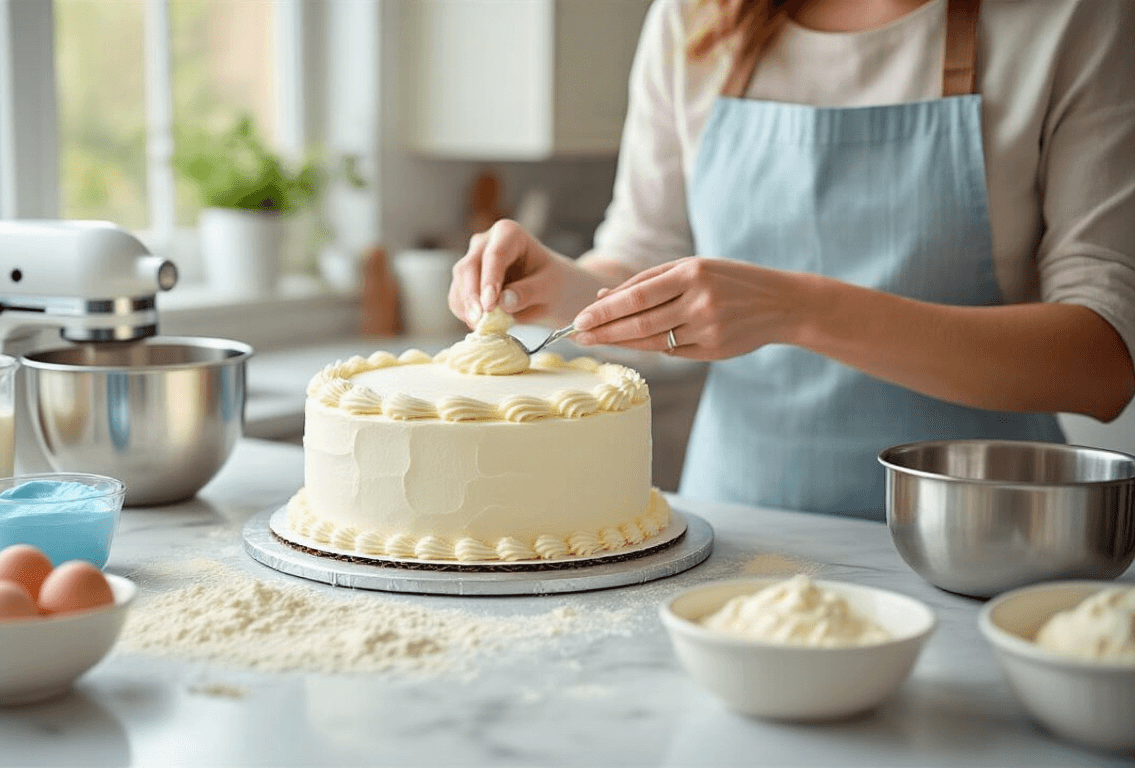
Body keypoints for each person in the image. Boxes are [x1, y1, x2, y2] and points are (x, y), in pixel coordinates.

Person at [448, 0, 1135, 519]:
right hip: (743, 530)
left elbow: (1102, 362)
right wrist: (558, 287)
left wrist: (799, 311)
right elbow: (643, 258)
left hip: (982, 537)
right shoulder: (694, 18)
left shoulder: (1074, 19)